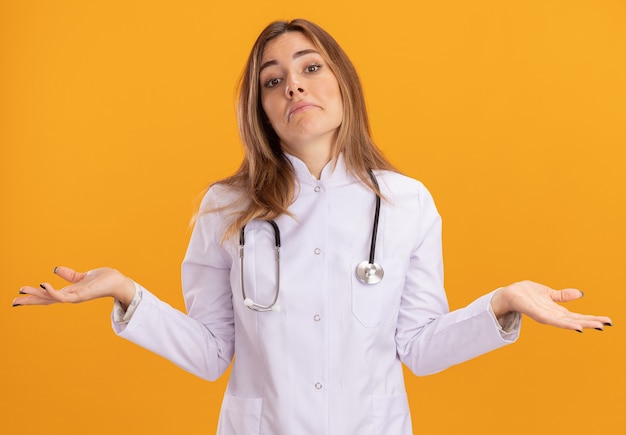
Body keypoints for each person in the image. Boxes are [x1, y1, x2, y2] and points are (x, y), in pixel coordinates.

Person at [13, 19, 612, 435]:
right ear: (263, 111)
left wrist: (502, 303)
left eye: (310, 67)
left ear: (343, 84)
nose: (293, 84)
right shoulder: (226, 207)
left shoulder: (407, 202)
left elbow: (419, 348)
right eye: (273, 80)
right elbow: (210, 352)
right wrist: (127, 293)